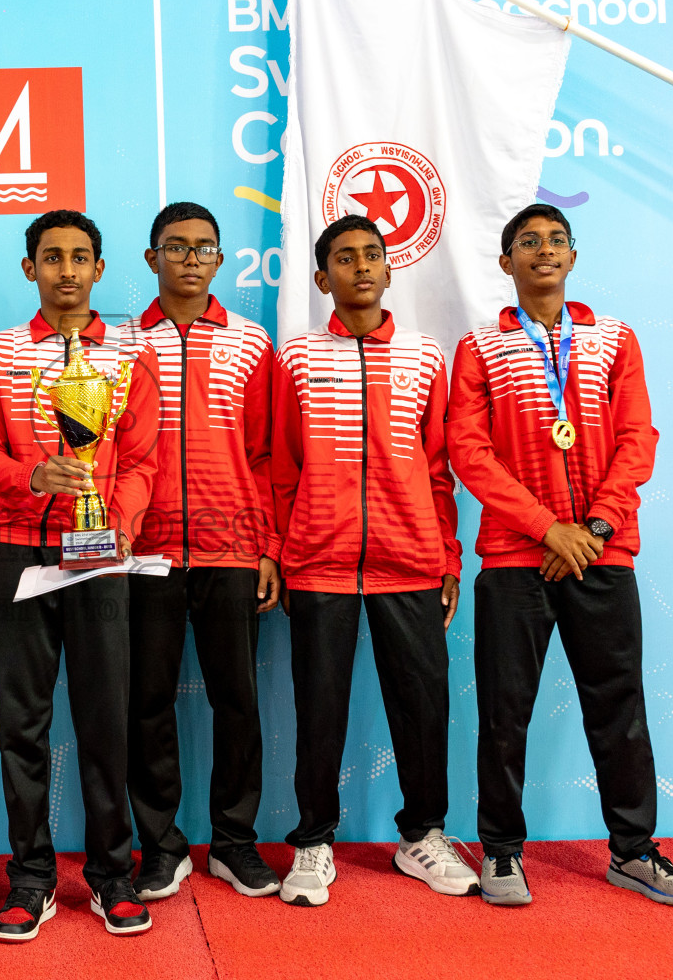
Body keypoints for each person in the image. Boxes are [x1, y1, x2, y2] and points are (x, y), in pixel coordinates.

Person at [446, 203, 673, 907]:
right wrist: (545, 528)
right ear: (506, 264)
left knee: (618, 708)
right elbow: (469, 453)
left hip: (603, 552)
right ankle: (500, 852)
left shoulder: (615, 339)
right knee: (505, 713)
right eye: (528, 242)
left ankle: (633, 851)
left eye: (556, 240)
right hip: (513, 560)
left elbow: (637, 438)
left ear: (573, 256)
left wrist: (590, 526)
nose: (544, 251)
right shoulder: (478, 348)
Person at [0, 209, 161, 940]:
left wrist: (114, 521)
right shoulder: (0, 353)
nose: (68, 271)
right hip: (19, 549)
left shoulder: (128, 356)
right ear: (30, 270)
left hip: (99, 552)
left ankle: (113, 875)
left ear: (101, 270)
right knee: (23, 723)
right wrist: (31, 478)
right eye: (52, 258)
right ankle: (32, 878)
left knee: (105, 717)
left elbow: (144, 462)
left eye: (81, 258)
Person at [271, 214, 472, 907]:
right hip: (320, 564)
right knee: (318, 709)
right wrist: (284, 551)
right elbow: (282, 468)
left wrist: (447, 557)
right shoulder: (295, 357)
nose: (361, 267)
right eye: (345, 258)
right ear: (323, 279)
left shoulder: (423, 356)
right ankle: (313, 841)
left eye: (372, 256)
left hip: (410, 560)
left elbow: (438, 467)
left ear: (389, 271)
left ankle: (423, 835)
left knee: (423, 706)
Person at [117, 201, 282, 902]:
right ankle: (160, 846)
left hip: (233, 551)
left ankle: (235, 843)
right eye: (175, 247)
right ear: (151, 259)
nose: (189, 258)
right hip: (145, 552)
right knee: (145, 703)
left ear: (219, 261)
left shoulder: (252, 342)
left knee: (237, 701)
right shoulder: (118, 343)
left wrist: (269, 546)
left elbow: (271, 455)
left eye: (203, 248)